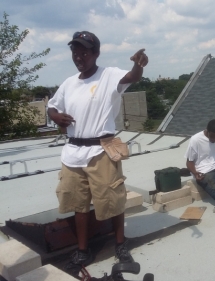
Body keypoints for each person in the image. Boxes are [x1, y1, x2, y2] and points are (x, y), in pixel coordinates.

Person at [47, 31, 148, 271]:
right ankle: (83, 250)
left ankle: (120, 244)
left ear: (95, 53)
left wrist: (138, 65)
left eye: (84, 51)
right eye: (75, 51)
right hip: (72, 153)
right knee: (78, 204)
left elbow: (132, 76)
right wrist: (57, 117)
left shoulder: (108, 75)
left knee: (113, 200)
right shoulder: (69, 83)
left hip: (101, 151)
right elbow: (52, 106)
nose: (78, 56)